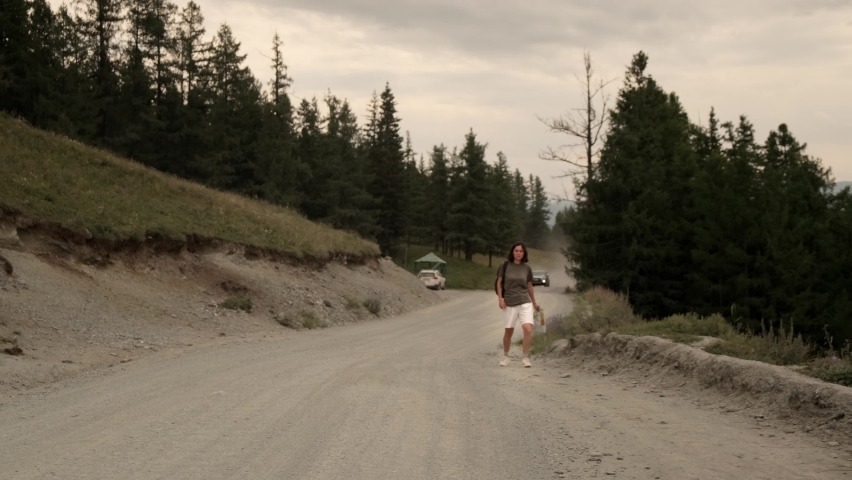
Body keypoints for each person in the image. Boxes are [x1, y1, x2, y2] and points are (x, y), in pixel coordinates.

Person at [496, 242, 540, 367]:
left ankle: (525, 358)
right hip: (509, 302)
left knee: (528, 329)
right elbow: (499, 283)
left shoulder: (527, 268)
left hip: (525, 302)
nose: (518, 253)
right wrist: (500, 299)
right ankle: (505, 356)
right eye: (516, 251)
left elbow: (530, 286)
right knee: (509, 331)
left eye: (521, 251)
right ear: (512, 252)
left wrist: (534, 302)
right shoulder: (504, 266)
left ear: (524, 253)